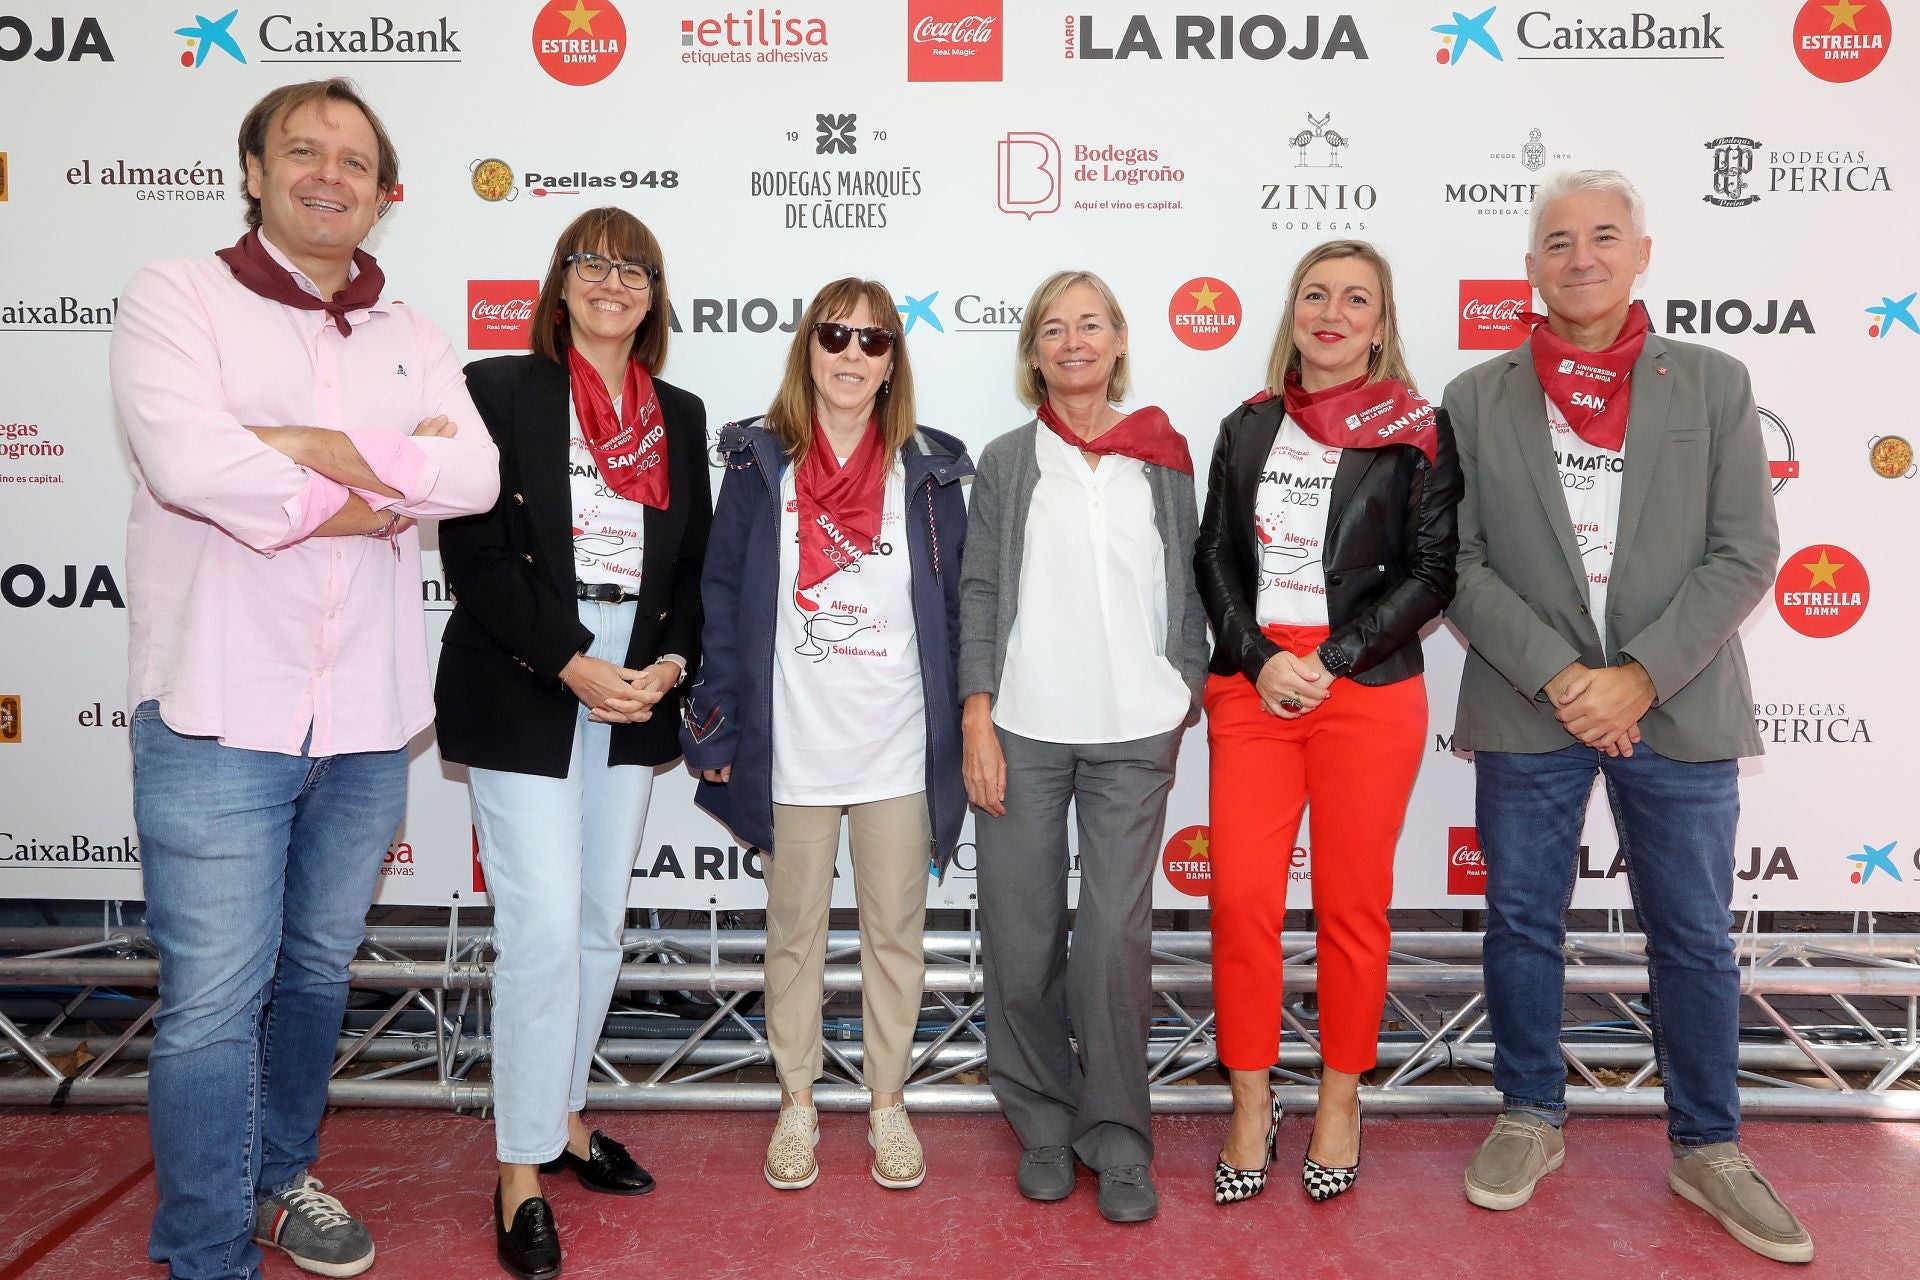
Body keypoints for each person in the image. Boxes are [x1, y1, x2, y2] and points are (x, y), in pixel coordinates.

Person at [108, 79, 499, 1279]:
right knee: (216, 999)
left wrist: (287, 450)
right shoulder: (175, 297)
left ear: (386, 194)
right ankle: (207, 1246)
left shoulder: (413, 334)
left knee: (318, 971)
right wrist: (377, 490)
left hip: (369, 717)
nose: (329, 174)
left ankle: (280, 1176)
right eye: (303, 151)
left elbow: (472, 477)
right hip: (220, 709)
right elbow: (188, 458)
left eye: (354, 160)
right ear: (253, 169)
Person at [1445, 169, 1812, 1264]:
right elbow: (1453, 563)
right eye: (1557, 241)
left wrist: (1638, 674)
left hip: (1680, 702)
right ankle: (1527, 1113)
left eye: (1604, 236)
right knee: (1520, 922)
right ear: (1531, 268)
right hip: (1529, 702)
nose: (1581, 257)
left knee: (1694, 933)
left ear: (1643, 253)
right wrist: (1566, 676)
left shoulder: (1711, 380)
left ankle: (1710, 1143)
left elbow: (1746, 551)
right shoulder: (1475, 397)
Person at [434, 207, 711, 1280]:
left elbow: (690, 571)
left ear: (655, 292)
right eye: (593, 262)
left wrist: (669, 666)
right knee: (544, 925)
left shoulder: (677, 414)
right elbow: (479, 553)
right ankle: (518, 1167)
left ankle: (561, 1116)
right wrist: (571, 661)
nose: (613, 281)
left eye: (634, 266)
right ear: (560, 282)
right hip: (528, 680)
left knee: (597, 921)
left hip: (633, 685)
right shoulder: (499, 390)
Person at [681, 278, 972, 1194]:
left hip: (895, 749)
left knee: (896, 937)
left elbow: (961, 609)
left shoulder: (930, 469)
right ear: (808, 347)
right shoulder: (758, 464)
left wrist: (968, 725)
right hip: (791, 748)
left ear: (894, 362)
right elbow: (721, 598)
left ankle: (887, 1104)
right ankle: (798, 1103)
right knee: (794, 937)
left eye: (873, 341)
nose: (852, 355)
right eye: (836, 336)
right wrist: (719, 718)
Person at [1195, 240, 1460, 1205]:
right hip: (1255, 691)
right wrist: (1264, 661)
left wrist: (1331, 660)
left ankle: (1342, 1099)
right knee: (1243, 903)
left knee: (1351, 909)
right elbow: (1214, 556)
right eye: (1316, 294)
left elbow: (1436, 572)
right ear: (1292, 312)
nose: (1334, 313)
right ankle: (1252, 1102)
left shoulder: (1416, 432)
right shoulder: (1249, 425)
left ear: (1382, 323)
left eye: (1357, 299)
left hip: (1368, 691)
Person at [959, 269, 1207, 1224]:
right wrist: (978, 715)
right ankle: (1045, 1124)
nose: (1072, 342)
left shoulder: (1166, 458)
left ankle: (1119, 1137)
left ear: (1118, 340)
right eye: (1053, 329)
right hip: (1022, 726)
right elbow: (979, 591)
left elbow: (1189, 581)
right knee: (1020, 939)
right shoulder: (1009, 459)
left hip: (1135, 730)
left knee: (1111, 941)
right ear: (1033, 352)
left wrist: (1181, 682)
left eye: (1090, 325)